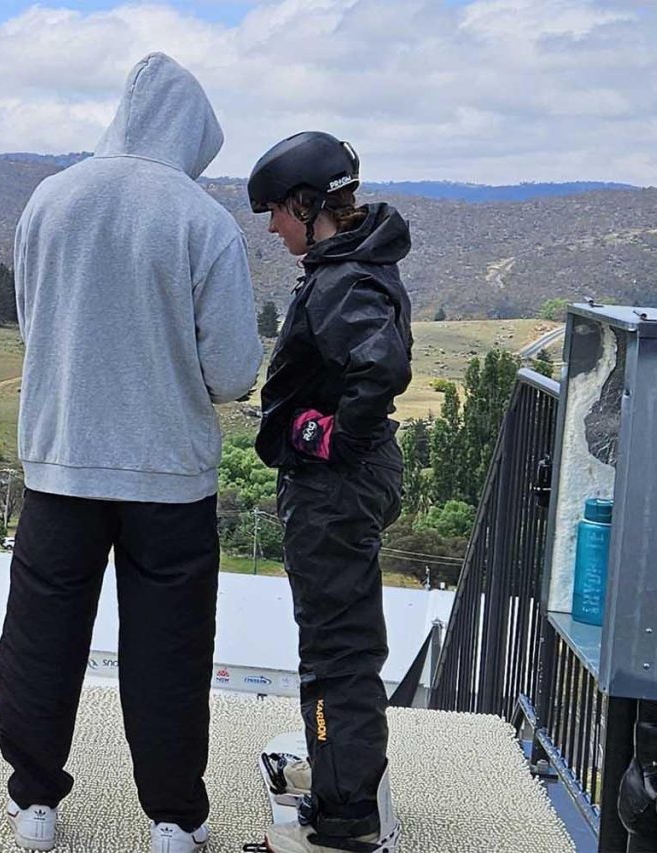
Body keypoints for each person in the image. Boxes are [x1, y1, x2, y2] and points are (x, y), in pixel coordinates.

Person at [0, 53, 261, 853]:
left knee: (42, 638)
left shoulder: (49, 200)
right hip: (168, 475)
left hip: (61, 460)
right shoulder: (202, 221)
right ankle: (174, 818)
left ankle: (35, 802)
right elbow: (233, 372)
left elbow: (33, 320)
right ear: (192, 133)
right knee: (169, 651)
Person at [245, 131, 413, 853]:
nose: (274, 227)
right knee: (341, 639)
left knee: (336, 648)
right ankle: (341, 775)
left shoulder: (344, 277)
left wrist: (331, 437)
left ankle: (345, 810)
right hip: (343, 483)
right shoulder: (352, 259)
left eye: (277, 212)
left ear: (311, 205)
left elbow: (381, 365)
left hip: (334, 489)